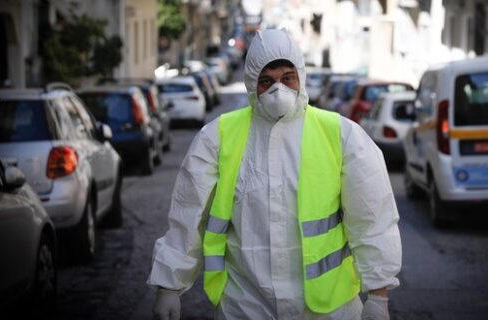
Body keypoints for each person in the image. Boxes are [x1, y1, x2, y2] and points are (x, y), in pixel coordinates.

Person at [148, 29, 402, 320]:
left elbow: (372, 218)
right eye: (266, 81)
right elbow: (188, 215)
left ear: (300, 77)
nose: (277, 89)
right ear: (251, 83)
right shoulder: (217, 137)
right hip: (245, 306)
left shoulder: (342, 135)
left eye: (287, 77)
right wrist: (169, 286)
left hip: (328, 309)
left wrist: (378, 294)